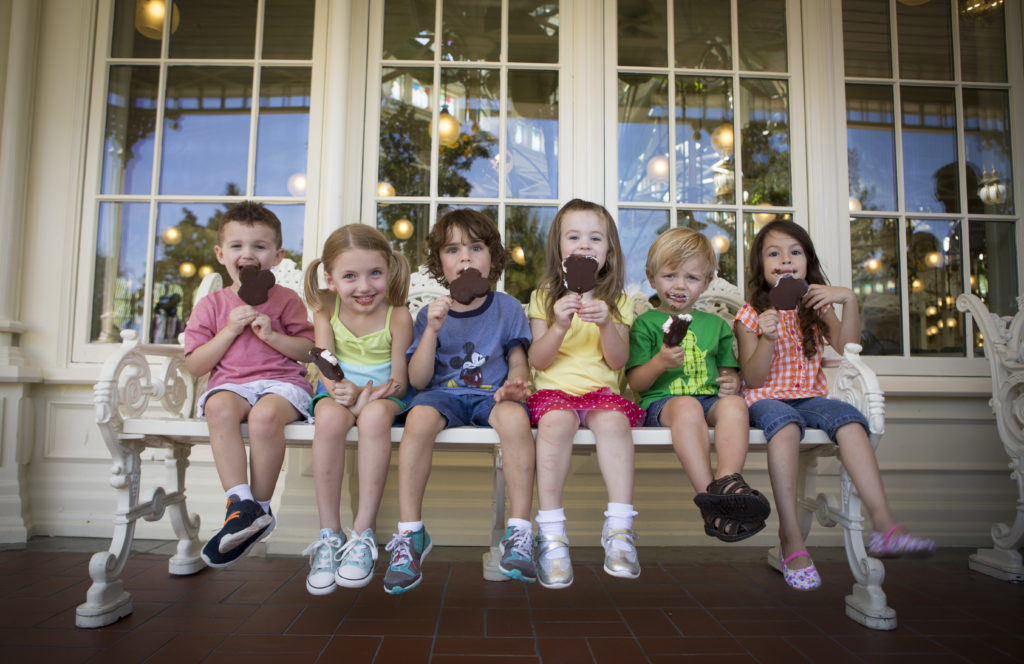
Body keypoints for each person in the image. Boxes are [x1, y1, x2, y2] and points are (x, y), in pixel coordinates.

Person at [735, 219, 935, 591]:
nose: (785, 260)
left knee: (849, 419)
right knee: (785, 424)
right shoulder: (750, 315)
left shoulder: (815, 306)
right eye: (774, 253)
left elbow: (848, 350)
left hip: (811, 397)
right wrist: (766, 336)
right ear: (760, 266)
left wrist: (847, 300)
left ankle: (884, 524)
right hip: (766, 400)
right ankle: (791, 539)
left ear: (808, 262)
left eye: (795, 252)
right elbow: (756, 378)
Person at [382, 208, 535, 595]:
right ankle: (411, 534)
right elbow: (417, 379)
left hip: (492, 396)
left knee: (516, 420)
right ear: (440, 264)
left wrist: (517, 385)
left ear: (494, 259)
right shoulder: (429, 313)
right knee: (417, 420)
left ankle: (519, 533)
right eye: (453, 249)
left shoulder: (508, 308)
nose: (465, 258)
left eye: (476, 247)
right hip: (442, 395)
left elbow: (518, 361)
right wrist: (432, 329)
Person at [183, 201, 315, 568]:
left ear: (277, 256)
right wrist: (229, 329)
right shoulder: (211, 305)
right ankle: (240, 504)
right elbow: (196, 365)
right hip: (232, 386)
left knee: (264, 417)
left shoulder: (287, 301)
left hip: (282, 383)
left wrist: (272, 335)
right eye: (238, 246)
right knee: (217, 407)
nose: (248, 254)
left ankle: (259, 506)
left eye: (259, 246)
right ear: (221, 254)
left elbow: (308, 352)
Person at [527, 198, 645, 589]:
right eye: (574, 236)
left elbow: (617, 361)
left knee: (613, 422)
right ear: (558, 247)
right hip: (555, 393)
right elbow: (539, 361)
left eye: (595, 238)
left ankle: (620, 529)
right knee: (557, 424)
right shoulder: (544, 298)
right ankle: (552, 534)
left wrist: (608, 325)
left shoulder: (618, 301)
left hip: (601, 393)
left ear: (608, 250)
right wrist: (558, 326)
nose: (584, 245)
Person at [626, 228, 770, 543]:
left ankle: (728, 482)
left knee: (734, 405)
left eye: (691, 278)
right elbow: (636, 382)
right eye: (670, 275)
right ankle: (709, 497)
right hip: (661, 404)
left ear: (705, 283)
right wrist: (659, 362)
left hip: (708, 400)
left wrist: (730, 383)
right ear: (652, 279)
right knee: (687, 407)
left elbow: (728, 373)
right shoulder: (645, 324)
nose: (680, 285)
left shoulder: (716, 325)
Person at [299, 225, 413, 595]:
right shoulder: (325, 309)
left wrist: (370, 397)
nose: (364, 287)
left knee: (376, 416)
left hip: (381, 396)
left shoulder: (397, 314)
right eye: (350, 276)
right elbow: (324, 362)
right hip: (339, 391)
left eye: (374, 274)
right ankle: (329, 537)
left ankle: (363, 535)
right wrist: (342, 392)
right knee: (329, 418)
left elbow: (401, 379)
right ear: (330, 279)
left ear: (389, 272)